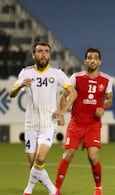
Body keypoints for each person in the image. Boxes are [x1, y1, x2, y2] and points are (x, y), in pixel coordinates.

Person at [9, 41, 77, 195]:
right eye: (39, 51)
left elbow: (73, 93)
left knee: (40, 159)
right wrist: (20, 86)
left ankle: (29, 189)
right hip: (31, 122)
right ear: (34, 55)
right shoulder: (26, 72)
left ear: (50, 55)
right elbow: (11, 94)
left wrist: (62, 111)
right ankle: (53, 190)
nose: (43, 54)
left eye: (46, 51)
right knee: (33, 163)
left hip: (48, 122)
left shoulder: (56, 73)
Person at [54, 48, 113, 195]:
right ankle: (56, 189)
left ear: (100, 61)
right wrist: (61, 113)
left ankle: (98, 187)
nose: (92, 60)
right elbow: (63, 96)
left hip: (93, 124)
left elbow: (109, 99)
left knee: (93, 157)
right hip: (76, 123)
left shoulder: (106, 80)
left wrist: (102, 107)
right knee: (68, 154)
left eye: (95, 58)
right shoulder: (76, 77)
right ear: (85, 61)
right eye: (89, 58)